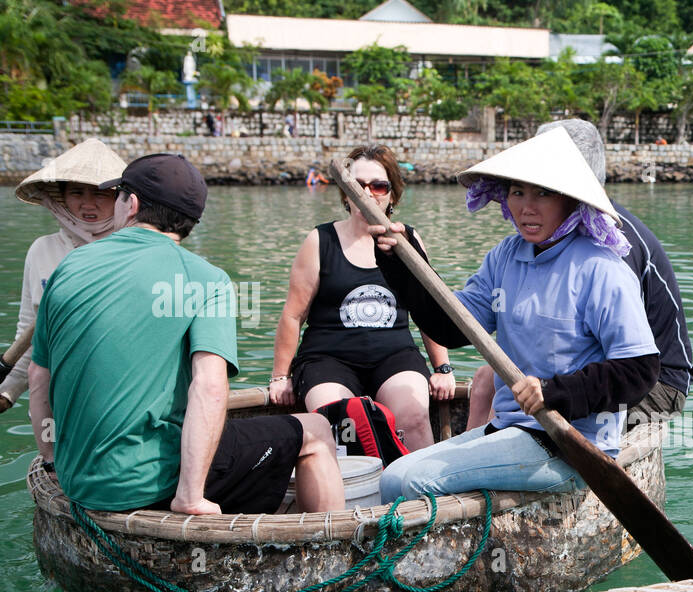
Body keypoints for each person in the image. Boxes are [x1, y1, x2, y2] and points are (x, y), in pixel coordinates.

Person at [29, 153, 344, 516]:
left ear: (130, 205)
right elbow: (209, 388)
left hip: (78, 480)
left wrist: (53, 460)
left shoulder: (69, 265)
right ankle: (329, 553)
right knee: (318, 430)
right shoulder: (205, 278)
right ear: (190, 222)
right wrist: (190, 496)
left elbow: (40, 379)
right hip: (148, 483)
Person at [373, 127, 658, 502]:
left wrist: (554, 391)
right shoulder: (506, 256)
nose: (527, 207)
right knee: (391, 476)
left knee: (411, 482)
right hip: (510, 427)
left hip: (568, 444)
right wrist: (403, 266)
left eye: (544, 193)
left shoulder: (601, 268)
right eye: (518, 191)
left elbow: (640, 370)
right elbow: (454, 327)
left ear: (571, 201)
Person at [466, 118, 693, 432]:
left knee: (546, 414)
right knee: (485, 380)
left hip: (656, 381)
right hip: (586, 369)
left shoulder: (609, 242)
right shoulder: (545, 237)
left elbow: (631, 364)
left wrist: (550, 393)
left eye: (545, 190)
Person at [270, 144, 453, 451]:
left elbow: (428, 306)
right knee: (339, 422)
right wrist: (279, 376)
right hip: (328, 358)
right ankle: (344, 494)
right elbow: (293, 314)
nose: (367, 193)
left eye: (378, 185)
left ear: (391, 194)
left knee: (414, 416)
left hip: (394, 355)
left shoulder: (407, 239)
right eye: (357, 185)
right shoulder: (320, 240)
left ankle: (421, 493)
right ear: (345, 192)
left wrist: (443, 368)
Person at [1, 139, 127, 413]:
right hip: (60, 395)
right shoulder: (42, 250)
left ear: (120, 198)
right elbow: (30, 332)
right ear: (61, 196)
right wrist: (7, 392)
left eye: (100, 194)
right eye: (77, 193)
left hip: (122, 394)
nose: (87, 204)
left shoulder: (132, 249)